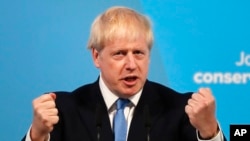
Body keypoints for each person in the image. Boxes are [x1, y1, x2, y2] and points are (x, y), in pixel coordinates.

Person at [22, 6, 227, 141]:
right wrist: (37, 135)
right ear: (96, 56)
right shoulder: (63, 110)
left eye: (138, 53)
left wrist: (209, 133)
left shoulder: (181, 109)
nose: (131, 64)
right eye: (119, 54)